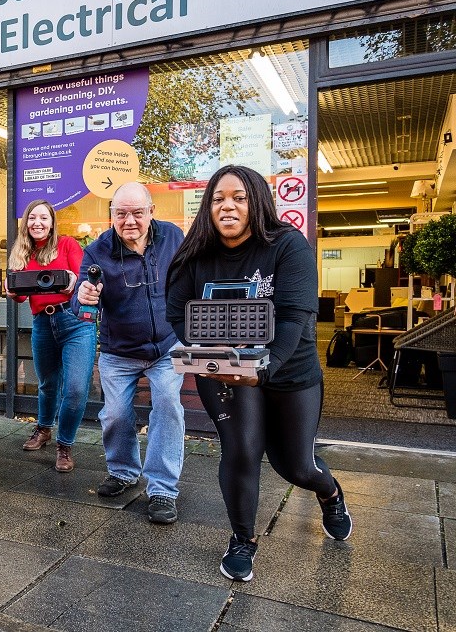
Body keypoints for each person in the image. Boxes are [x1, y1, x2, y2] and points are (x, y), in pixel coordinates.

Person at [166, 164, 353, 582]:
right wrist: (204, 350)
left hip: (289, 371)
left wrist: (263, 370)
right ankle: (243, 538)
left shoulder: (288, 247)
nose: (227, 206)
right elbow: (176, 312)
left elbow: (294, 320)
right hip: (224, 371)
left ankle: (330, 491)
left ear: (257, 201)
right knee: (241, 447)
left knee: (295, 467)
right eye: (217, 199)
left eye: (238, 197)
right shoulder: (195, 255)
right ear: (207, 207)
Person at [75, 182, 185, 525]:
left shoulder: (173, 237)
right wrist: (83, 296)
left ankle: (163, 489)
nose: (130, 220)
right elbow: (81, 291)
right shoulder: (96, 251)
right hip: (119, 349)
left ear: (151, 212)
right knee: (117, 415)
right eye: (121, 213)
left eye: (138, 212)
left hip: (167, 346)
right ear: (111, 216)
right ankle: (123, 471)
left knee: (168, 406)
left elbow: (192, 275)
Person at [7, 200, 96, 472]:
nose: (37, 222)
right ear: (26, 223)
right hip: (42, 322)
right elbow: (21, 295)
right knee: (47, 383)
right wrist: (11, 289)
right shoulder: (22, 253)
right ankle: (44, 429)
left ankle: (64, 444)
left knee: (76, 389)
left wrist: (73, 280)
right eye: (32, 217)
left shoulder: (67, 244)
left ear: (52, 222)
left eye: (43, 218)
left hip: (75, 321)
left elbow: (84, 281)